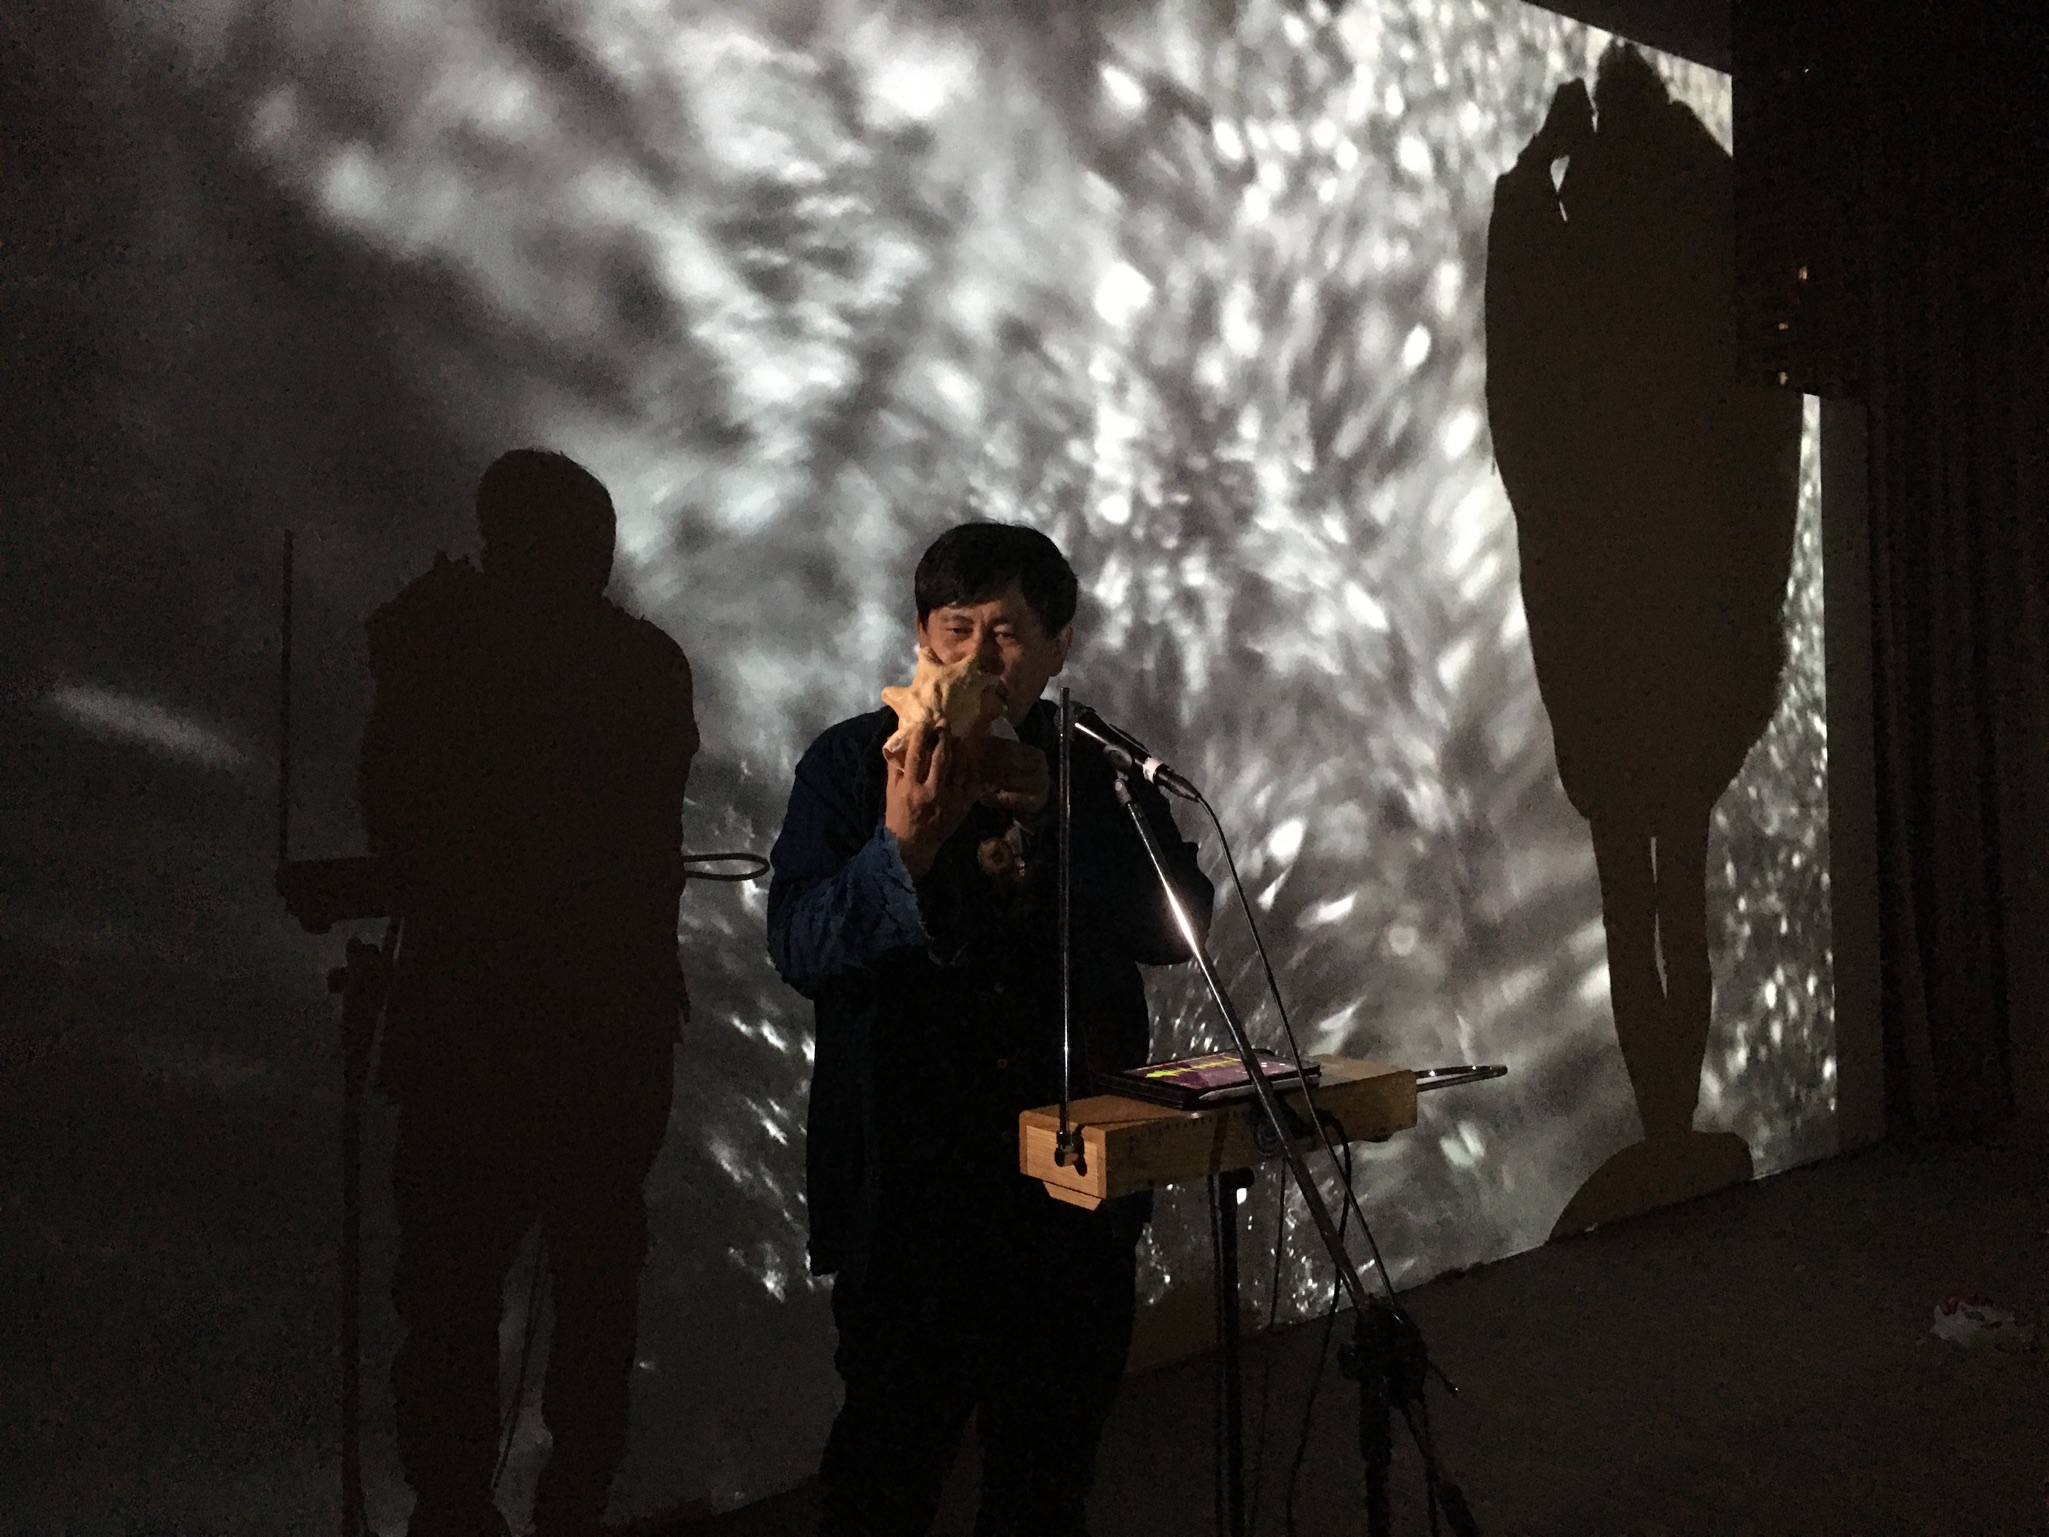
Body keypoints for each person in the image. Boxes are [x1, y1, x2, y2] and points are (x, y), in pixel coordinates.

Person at [766, 522, 1214, 1537]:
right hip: (908, 1193)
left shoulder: (1095, 768)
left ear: (1058, 646)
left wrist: (1059, 816)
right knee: (885, 1473)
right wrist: (902, 852)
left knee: (1046, 1478)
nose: (976, 658)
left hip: (1071, 1193)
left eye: (1007, 633)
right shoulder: (849, 765)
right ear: (921, 637)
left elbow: (1178, 927)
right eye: (953, 629)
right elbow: (798, 944)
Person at [359, 449, 699, 1537]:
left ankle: (455, 1505)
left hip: (471, 1034)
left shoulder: (452, 658)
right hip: (608, 1037)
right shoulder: (646, 666)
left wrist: (407, 664)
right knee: (595, 1284)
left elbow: (397, 821)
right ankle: (575, 1501)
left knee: (452, 1291)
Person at [1485, 45, 1801, 1214]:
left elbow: (1519, 354)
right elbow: (1765, 421)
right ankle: (1676, 1122)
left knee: (1636, 875)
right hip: (1700, 609)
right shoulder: (1704, 185)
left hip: (1607, 602)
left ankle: (1662, 1124)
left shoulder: (1582, 201)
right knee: (1682, 865)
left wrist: (1540, 156)